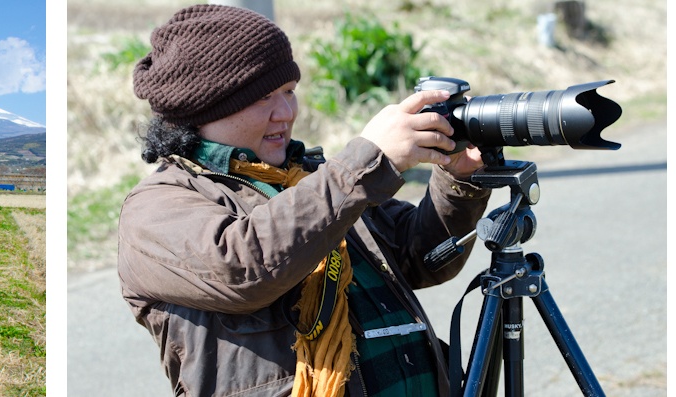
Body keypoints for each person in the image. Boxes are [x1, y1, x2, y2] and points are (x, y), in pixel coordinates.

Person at [117, 5, 492, 397]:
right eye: (263, 98)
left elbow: (421, 256)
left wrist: (458, 176)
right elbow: (244, 269)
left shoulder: (314, 178)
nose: (286, 112)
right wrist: (365, 160)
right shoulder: (155, 206)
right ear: (204, 108)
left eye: (289, 91)